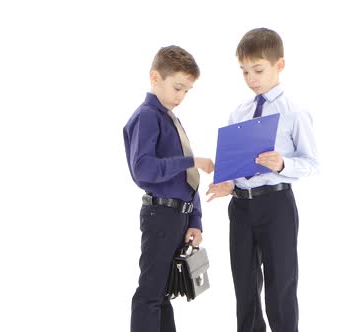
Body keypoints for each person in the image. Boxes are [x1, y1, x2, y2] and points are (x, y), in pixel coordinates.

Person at [206, 28, 319, 332]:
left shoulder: (294, 112)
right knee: (244, 287)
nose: (251, 78)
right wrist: (226, 182)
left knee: (280, 284)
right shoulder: (239, 113)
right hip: (241, 208)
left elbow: (311, 163)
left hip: (276, 205)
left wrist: (283, 163)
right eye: (244, 72)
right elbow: (232, 165)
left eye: (258, 70)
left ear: (279, 65)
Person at [123, 45, 215, 332]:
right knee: (150, 294)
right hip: (160, 216)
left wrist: (195, 219)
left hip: (178, 217)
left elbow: (186, 179)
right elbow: (144, 169)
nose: (181, 97)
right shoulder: (148, 116)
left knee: (163, 294)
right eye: (177, 88)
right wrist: (191, 160)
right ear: (154, 77)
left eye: (186, 91)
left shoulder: (170, 118)